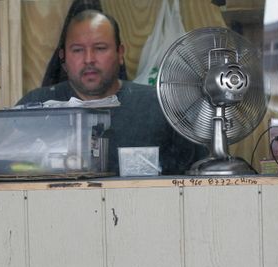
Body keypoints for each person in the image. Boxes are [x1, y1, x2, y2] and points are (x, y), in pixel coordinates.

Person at [17, 9, 205, 175]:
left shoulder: (162, 107)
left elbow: (200, 177)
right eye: (77, 50)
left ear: (120, 53)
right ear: (63, 57)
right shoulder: (35, 108)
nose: (89, 59)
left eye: (100, 48)